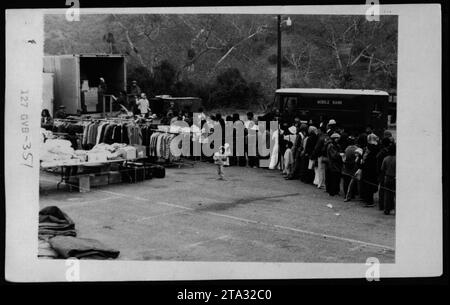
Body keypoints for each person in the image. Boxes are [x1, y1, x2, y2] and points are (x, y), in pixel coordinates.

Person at [360, 133, 380, 207]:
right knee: (371, 184)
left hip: (367, 168)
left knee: (367, 184)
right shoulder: (377, 147)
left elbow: (364, 158)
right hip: (374, 169)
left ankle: (368, 201)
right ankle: (369, 200)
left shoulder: (368, 147)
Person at [376, 136, 393, 210]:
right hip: (385, 173)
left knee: (382, 190)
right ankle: (386, 205)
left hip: (381, 173)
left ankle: (382, 205)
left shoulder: (381, 152)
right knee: (386, 191)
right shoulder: (386, 153)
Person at [380, 144, 396, 215]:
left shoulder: (385, 158)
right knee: (396, 195)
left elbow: (382, 169)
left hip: (387, 178)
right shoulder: (398, 159)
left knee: (387, 195)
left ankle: (386, 210)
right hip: (395, 178)